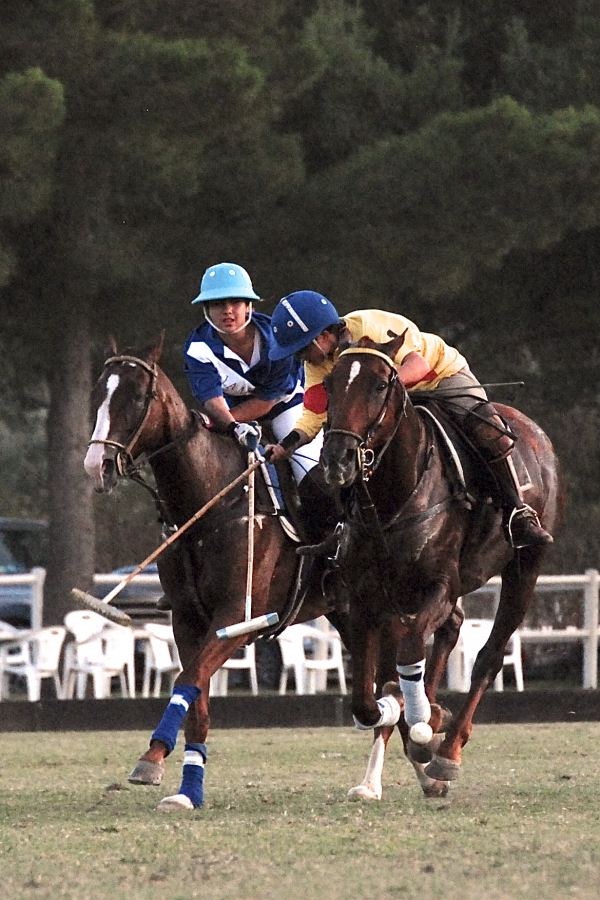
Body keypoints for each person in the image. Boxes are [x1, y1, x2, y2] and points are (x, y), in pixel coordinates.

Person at [265, 290, 553, 549]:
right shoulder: (319, 364)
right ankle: (344, 534)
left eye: (302, 349)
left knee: (485, 428)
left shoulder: (370, 326)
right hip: (384, 398)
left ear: (322, 336)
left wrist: (376, 392)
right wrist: (287, 445)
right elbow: (314, 414)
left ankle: (518, 513)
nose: (300, 357)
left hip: (439, 378)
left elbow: (419, 365)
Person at [184, 264, 322, 483]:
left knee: (309, 469)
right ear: (206, 309)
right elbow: (212, 400)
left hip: (284, 405)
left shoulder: (277, 338)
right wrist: (231, 425)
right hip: (229, 414)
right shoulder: (198, 349)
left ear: (249, 306)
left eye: (235, 302)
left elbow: (266, 402)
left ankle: (333, 517)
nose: (227, 310)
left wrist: (225, 423)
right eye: (218, 303)